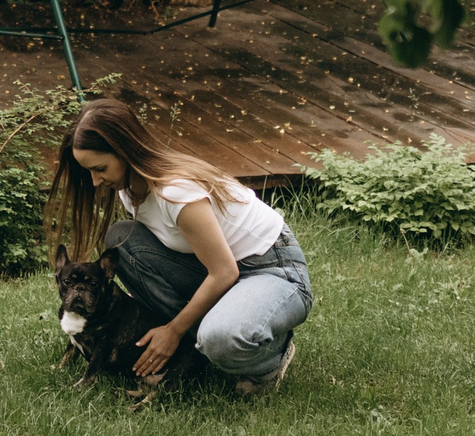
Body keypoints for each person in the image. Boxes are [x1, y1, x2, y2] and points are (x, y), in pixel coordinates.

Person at [47, 98, 311, 396]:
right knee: (122, 237)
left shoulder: (176, 191)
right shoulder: (129, 187)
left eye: (100, 168)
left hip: (273, 270)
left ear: (123, 151)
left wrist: (173, 331)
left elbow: (224, 272)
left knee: (220, 338)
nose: (95, 182)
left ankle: (269, 354)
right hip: (221, 267)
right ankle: (207, 335)